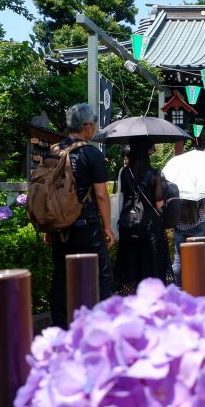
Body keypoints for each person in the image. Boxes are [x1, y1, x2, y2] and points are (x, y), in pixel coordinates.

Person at [48, 103, 114, 328]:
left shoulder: (53, 151)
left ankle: (62, 329)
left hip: (59, 228)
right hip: (87, 227)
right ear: (86, 127)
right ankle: (99, 328)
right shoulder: (91, 154)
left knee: (61, 277)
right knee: (101, 276)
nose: (94, 129)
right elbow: (101, 195)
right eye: (94, 125)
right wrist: (107, 227)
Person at [114, 137, 173, 294]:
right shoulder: (155, 174)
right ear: (147, 152)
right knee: (151, 266)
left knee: (131, 266)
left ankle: (131, 300)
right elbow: (159, 204)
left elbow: (119, 196)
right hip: (150, 228)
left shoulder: (124, 173)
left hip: (128, 225)